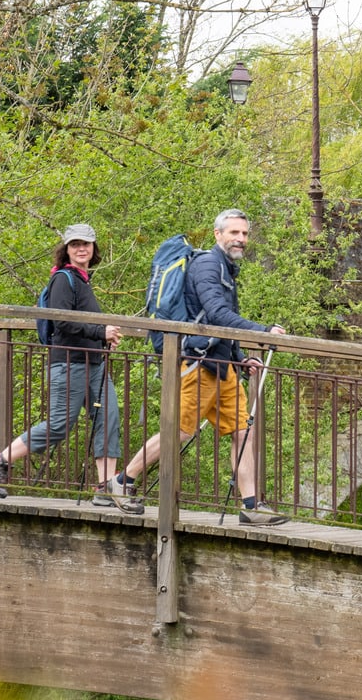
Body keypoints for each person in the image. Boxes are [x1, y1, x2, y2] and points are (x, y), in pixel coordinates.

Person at [115, 209, 287, 526]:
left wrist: (239, 358)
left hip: (223, 367)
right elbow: (218, 314)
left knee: (240, 432)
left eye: (245, 234)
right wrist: (262, 332)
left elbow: (217, 321)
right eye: (234, 233)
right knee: (179, 431)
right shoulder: (208, 265)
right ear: (217, 234)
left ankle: (251, 506)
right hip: (198, 365)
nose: (241, 239)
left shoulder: (225, 268)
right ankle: (123, 481)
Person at [0, 224, 142, 512]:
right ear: (66, 249)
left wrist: (105, 339)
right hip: (68, 364)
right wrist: (99, 332)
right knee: (59, 425)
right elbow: (62, 322)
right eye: (76, 244)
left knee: (109, 418)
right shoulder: (63, 280)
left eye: (87, 244)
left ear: (94, 249)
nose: (82, 249)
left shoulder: (83, 281)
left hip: (94, 364)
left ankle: (105, 488)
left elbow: (86, 326)